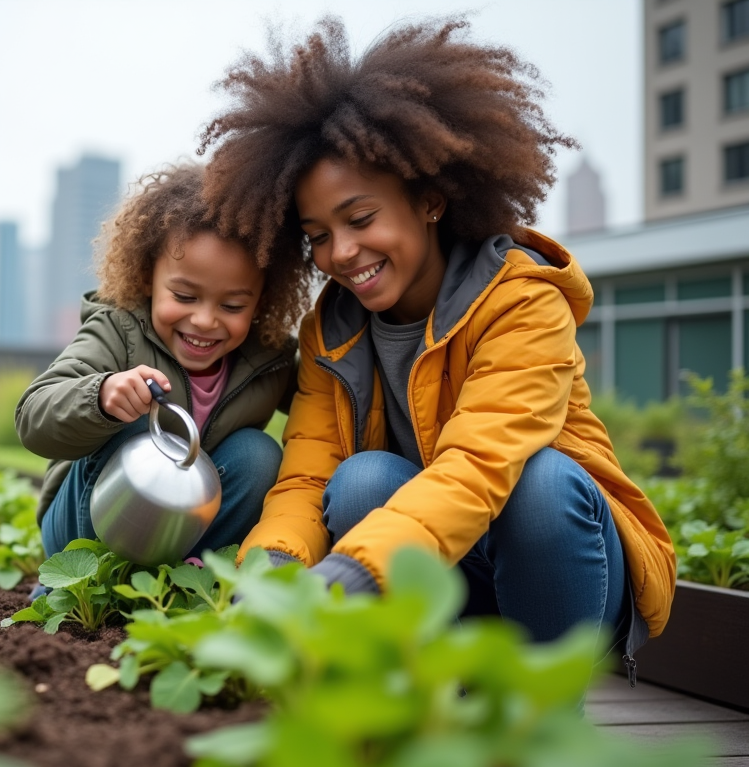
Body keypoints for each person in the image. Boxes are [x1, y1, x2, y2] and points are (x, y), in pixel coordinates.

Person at [197, 17, 675, 673]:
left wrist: (353, 575)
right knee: (360, 480)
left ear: (428, 200)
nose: (341, 253)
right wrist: (269, 577)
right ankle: (434, 682)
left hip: (566, 562)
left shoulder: (521, 301)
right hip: (445, 559)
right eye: (317, 235)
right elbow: (307, 475)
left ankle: (540, 702)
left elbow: (478, 468)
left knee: (539, 485)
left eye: (361, 219)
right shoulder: (330, 334)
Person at [16, 163, 311, 580]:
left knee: (257, 453)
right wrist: (101, 397)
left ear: (262, 301)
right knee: (141, 432)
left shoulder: (269, 359)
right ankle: (84, 582)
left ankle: (187, 579)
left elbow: (325, 398)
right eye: (185, 295)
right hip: (82, 530)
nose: (205, 320)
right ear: (147, 276)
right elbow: (33, 418)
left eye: (232, 306)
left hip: (181, 528)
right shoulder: (116, 330)